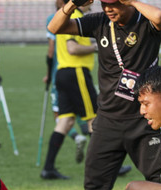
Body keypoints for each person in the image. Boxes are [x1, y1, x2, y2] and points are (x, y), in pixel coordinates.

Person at [48, 0, 161, 190]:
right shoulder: (99, 22)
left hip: (145, 121)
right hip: (107, 122)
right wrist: (73, 2)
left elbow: (160, 17)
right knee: (96, 189)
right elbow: (55, 28)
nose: (108, 9)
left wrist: (132, 2)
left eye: (114, 4)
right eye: (104, 4)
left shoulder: (146, 23)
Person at [41, 0, 97, 180]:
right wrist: (97, 47)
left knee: (65, 121)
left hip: (62, 73)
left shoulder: (64, 15)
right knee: (93, 118)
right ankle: (103, 166)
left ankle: (48, 168)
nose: (93, 4)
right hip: (76, 71)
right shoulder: (75, 16)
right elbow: (72, 48)